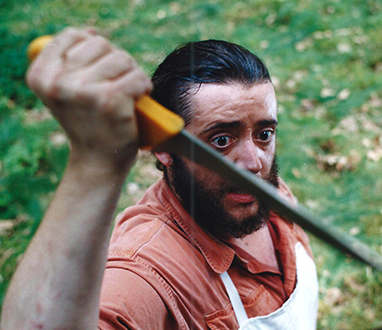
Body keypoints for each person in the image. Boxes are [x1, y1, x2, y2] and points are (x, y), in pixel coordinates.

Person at [1, 28, 318, 330]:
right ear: (165, 149)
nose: (253, 164)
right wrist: (94, 163)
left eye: (264, 134)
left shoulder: (263, 194)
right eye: (222, 140)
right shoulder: (145, 274)